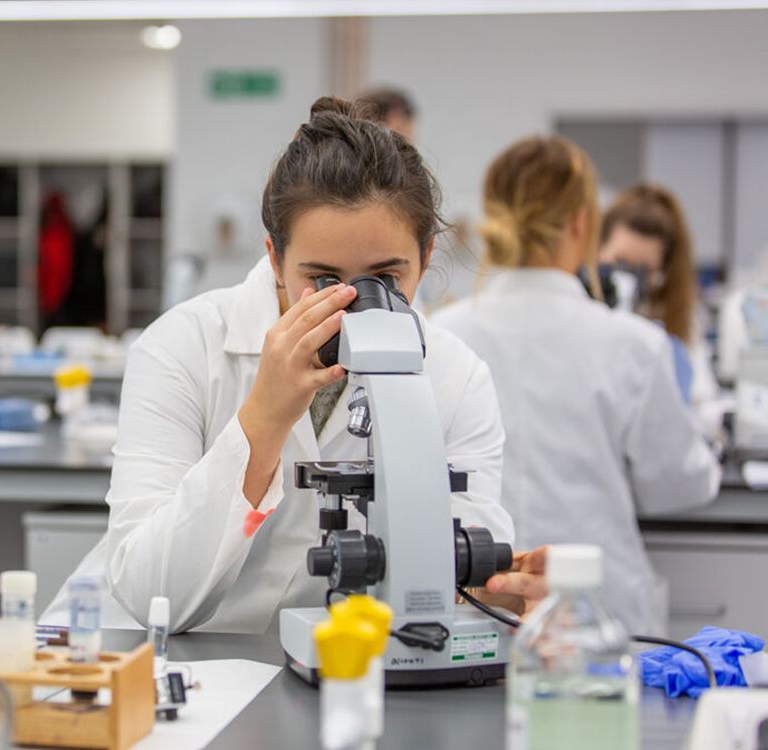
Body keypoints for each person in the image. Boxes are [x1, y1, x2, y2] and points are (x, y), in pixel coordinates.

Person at [46, 97, 526, 634]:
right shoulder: (183, 346)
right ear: (274, 257)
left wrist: (501, 590)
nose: (350, 303)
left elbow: (461, 578)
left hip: (334, 670)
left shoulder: (455, 375)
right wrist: (263, 421)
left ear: (427, 255)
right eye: (322, 278)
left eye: (385, 280)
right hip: (160, 663)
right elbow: (150, 595)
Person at [431, 135, 721, 636]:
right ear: (583, 224)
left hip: (478, 608)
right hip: (601, 616)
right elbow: (676, 485)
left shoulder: (441, 337)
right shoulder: (633, 343)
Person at [599, 184, 719, 414]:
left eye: (645, 271)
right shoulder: (579, 315)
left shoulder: (676, 329)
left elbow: (701, 403)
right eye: (620, 261)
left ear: (663, 273)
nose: (630, 279)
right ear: (598, 248)